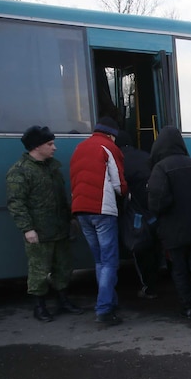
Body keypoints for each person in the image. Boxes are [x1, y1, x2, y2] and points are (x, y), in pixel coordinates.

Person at [6, 125, 84, 322]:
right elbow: (16, 203)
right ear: (36, 147)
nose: (54, 148)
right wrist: (28, 229)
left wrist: (71, 218)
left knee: (64, 267)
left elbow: (60, 197)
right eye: (50, 144)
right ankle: (39, 307)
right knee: (39, 270)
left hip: (59, 228)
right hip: (39, 231)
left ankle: (63, 300)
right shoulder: (20, 171)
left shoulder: (52, 168)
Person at [147, 126, 191, 324]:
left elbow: (157, 203)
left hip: (173, 231)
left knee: (179, 269)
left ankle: (187, 308)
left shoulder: (160, 168)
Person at [70, 117, 128, 326]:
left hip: (80, 210)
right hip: (102, 210)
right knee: (110, 261)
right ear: (112, 134)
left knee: (99, 261)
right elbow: (118, 183)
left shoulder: (79, 147)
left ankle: (110, 302)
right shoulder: (109, 147)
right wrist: (126, 194)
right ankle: (103, 309)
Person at [116, 130, 159, 299]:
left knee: (140, 248)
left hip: (137, 213)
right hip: (154, 210)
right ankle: (155, 281)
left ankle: (149, 287)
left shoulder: (119, 160)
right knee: (155, 247)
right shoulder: (145, 156)